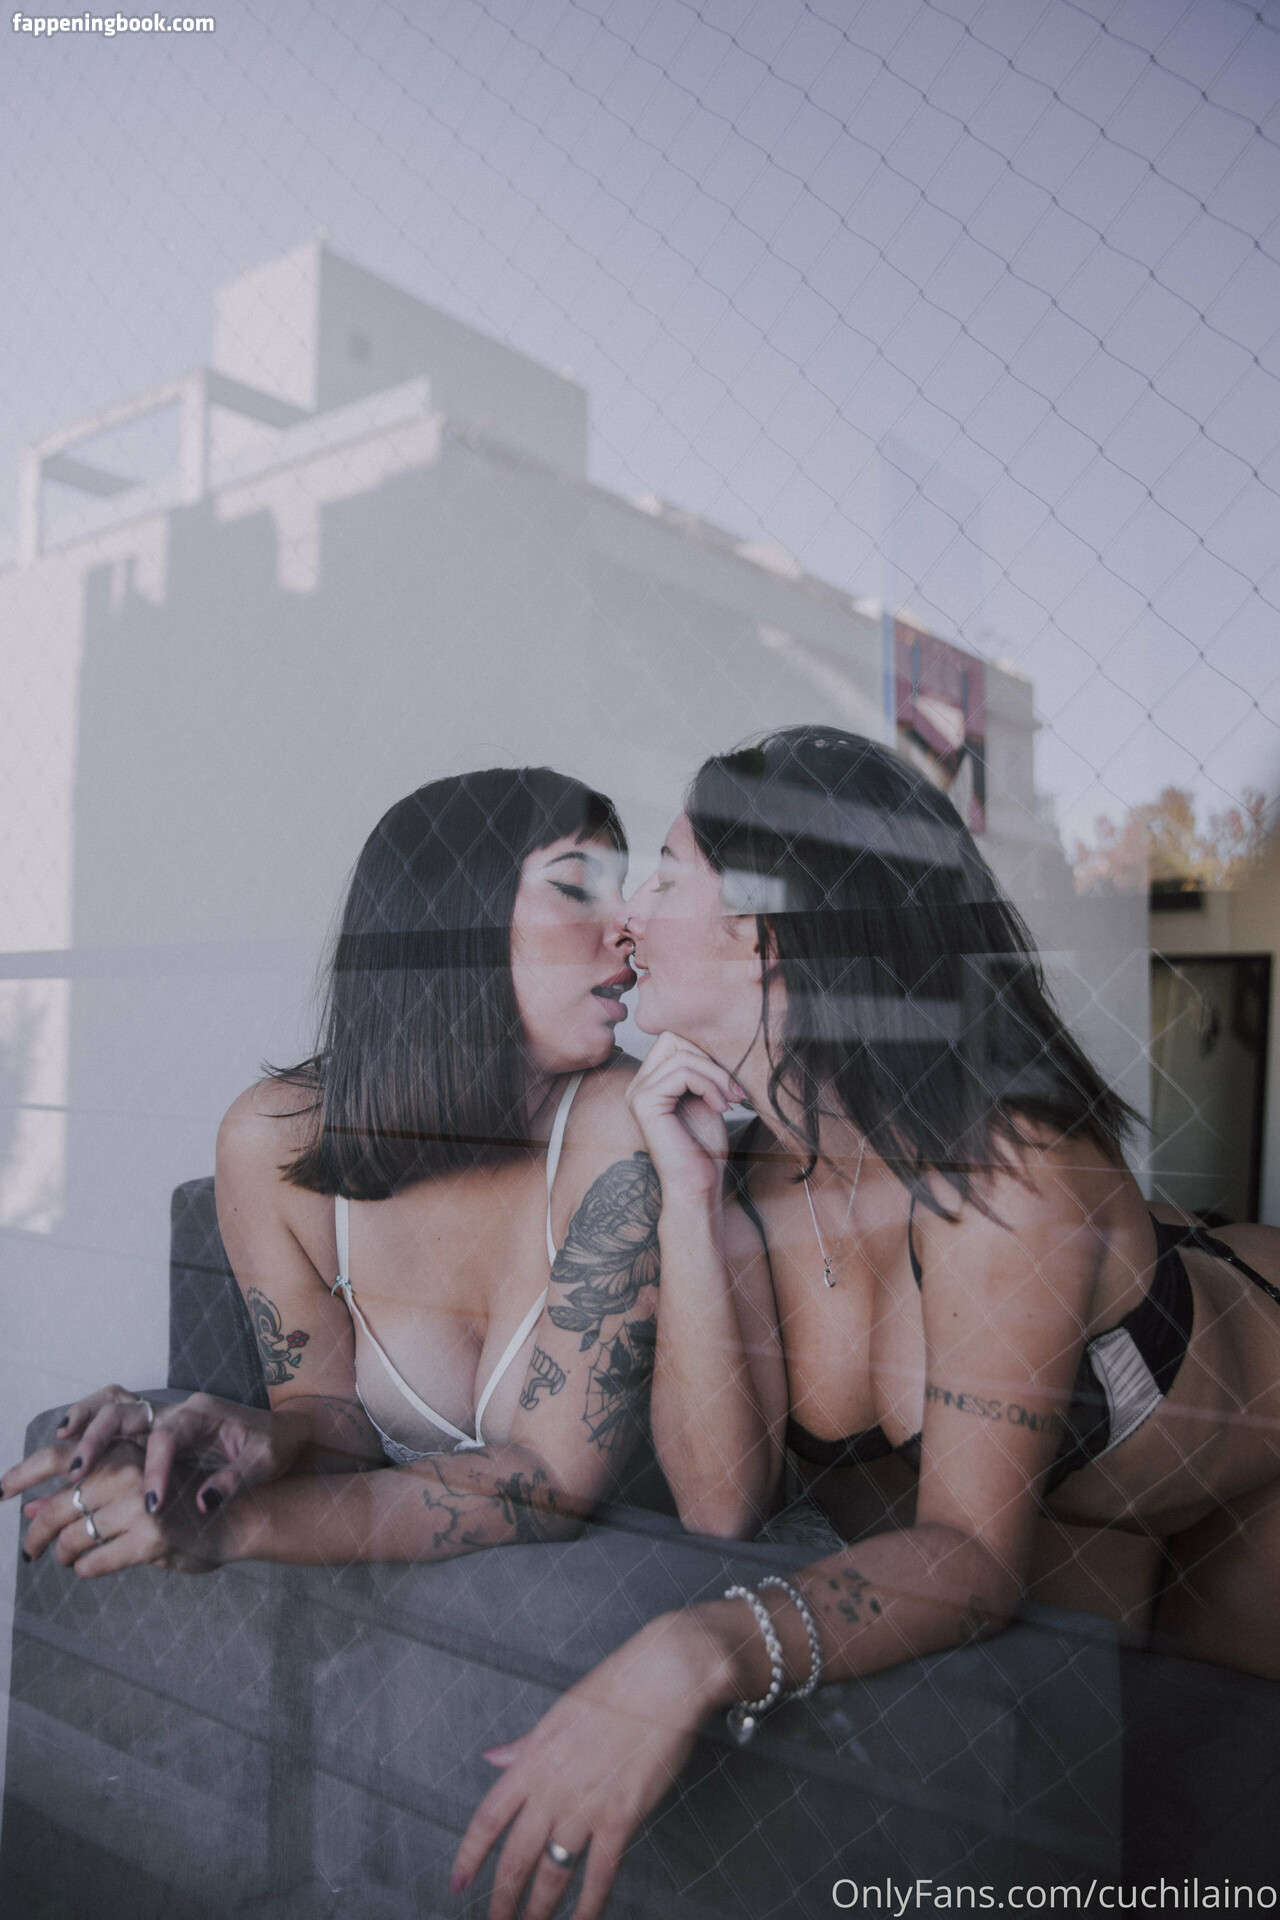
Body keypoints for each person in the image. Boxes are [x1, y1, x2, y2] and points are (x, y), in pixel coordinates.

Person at [452, 726, 1280, 1920]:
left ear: (762, 930)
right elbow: (720, 1504)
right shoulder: (745, 1175)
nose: (626, 918)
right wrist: (687, 1197)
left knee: (1230, 1834)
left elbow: (971, 1557)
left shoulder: (1004, 1172)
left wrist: (700, 1649)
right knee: (1100, 1841)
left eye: (664, 877)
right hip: (1085, 1505)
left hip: (1251, 1462)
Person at [4, 767, 664, 1572]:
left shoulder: (620, 1122)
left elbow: (549, 1482)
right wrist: (245, 1441)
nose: (632, 925)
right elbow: (328, 1415)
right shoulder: (272, 1142)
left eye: (623, 891)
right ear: (453, 920)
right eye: (578, 888)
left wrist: (240, 1525)